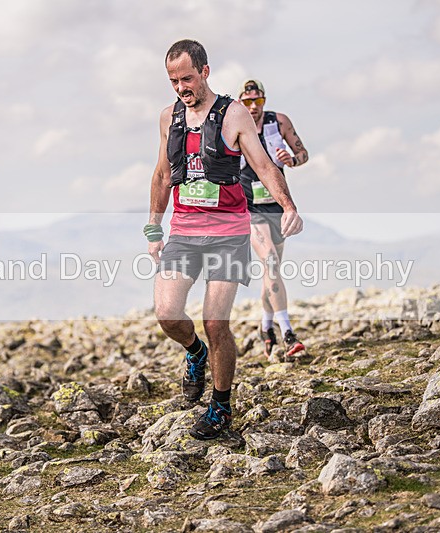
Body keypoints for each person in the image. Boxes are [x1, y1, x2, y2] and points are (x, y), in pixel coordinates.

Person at [146, 40, 302, 440]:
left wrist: (288, 205)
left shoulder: (233, 115)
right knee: (167, 313)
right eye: (173, 80)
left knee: (216, 323)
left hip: (228, 234)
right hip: (184, 231)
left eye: (187, 78)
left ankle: (221, 407)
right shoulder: (169, 118)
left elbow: (264, 165)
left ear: (205, 72)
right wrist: (153, 227)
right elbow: (163, 175)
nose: (181, 87)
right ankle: (195, 355)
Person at [237, 79, 309, 361]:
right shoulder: (233, 126)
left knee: (273, 270)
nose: (253, 107)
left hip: (277, 205)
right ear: (241, 103)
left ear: (264, 101)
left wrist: (291, 159)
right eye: (247, 102)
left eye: (258, 101)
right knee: (268, 261)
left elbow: (303, 154)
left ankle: (265, 326)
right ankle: (287, 331)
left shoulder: (279, 122)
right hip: (248, 206)